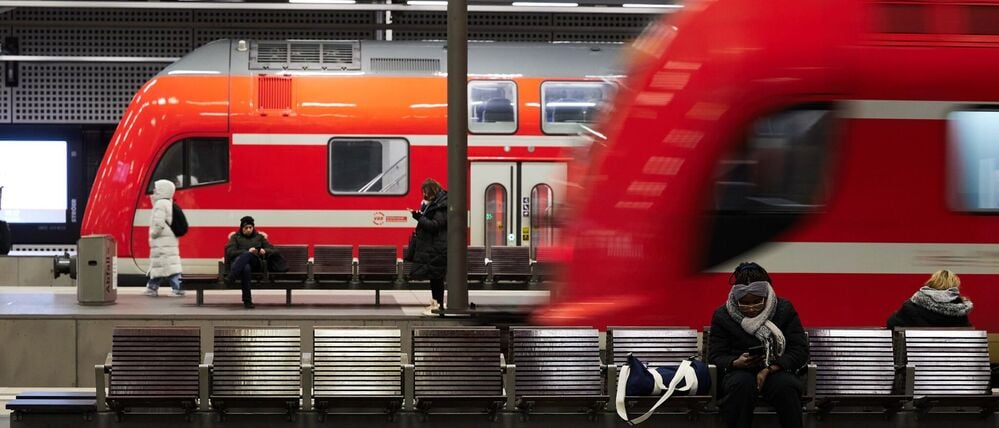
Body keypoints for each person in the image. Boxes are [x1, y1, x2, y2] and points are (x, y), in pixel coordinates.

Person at [708, 262, 808, 428]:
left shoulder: (783, 310)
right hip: (739, 372)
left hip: (776, 369)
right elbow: (716, 355)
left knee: (786, 387)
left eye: (757, 301)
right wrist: (735, 362)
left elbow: (798, 350)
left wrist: (769, 369)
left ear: (767, 296)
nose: (751, 308)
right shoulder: (723, 315)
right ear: (735, 298)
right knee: (741, 386)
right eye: (744, 303)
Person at [408, 178, 448, 315]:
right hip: (434, 247)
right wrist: (421, 213)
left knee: (437, 279)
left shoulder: (441, 206)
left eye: (425, 192)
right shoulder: (437, 204)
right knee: (434, 278)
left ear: (431, 191)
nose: (424, 195)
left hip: (438, 247)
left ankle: (438, 305)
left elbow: (435, 225)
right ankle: (436, 304)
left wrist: (419, 218)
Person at [887, 269, 973, 330]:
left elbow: (891, 323)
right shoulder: (959, 311)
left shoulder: (911, 307)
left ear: (931, 283)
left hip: (917, 353)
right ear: (955, 287)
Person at [224, 216, 275, 309]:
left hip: (256, 264)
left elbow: (273, 249)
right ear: (241, 228)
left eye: (250, 227)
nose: (248, 230)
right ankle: (247, 301)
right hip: (241, 265)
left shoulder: (260, 237)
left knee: (248, 256)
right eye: (246, 228)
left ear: (253, 227)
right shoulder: (235, 238)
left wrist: (265, 250)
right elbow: (230, 252)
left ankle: (231, 277)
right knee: (246, 268)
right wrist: (247, 251)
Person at [145, 179, 184, 297]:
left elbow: (159, 223)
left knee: (164, 265)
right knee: (165, 264)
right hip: (169, 239)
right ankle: (153, 287)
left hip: (161, 240)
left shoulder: (160, 204)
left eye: (157, 189)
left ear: (162, 190)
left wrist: (153, 234)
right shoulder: (169, 203)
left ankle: (176, 288)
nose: (154, 191)